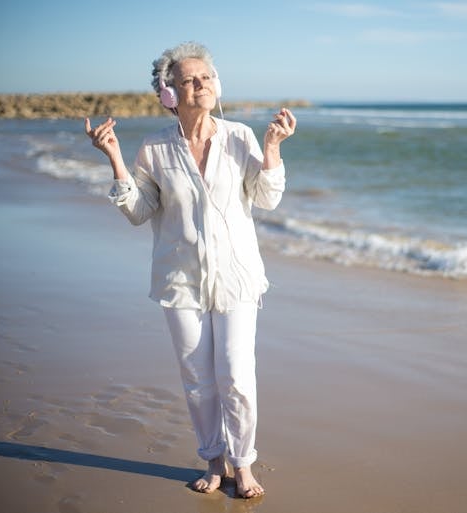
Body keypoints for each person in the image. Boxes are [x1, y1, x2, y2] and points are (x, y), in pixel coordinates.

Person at [84, 41, 296, 498]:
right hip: (181, 280)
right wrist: (116, 158)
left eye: (206, 78)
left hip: (237, 277)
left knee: (236, 374)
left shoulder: (239, 137)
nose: (200, 85)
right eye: (188, 80)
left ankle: (244, 465)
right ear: (169, 94)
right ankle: (213, 460)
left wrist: (273, 147)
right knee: (199, 380)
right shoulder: (155, 148)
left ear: (216, 86)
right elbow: (139, 211)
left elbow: (266, 196)